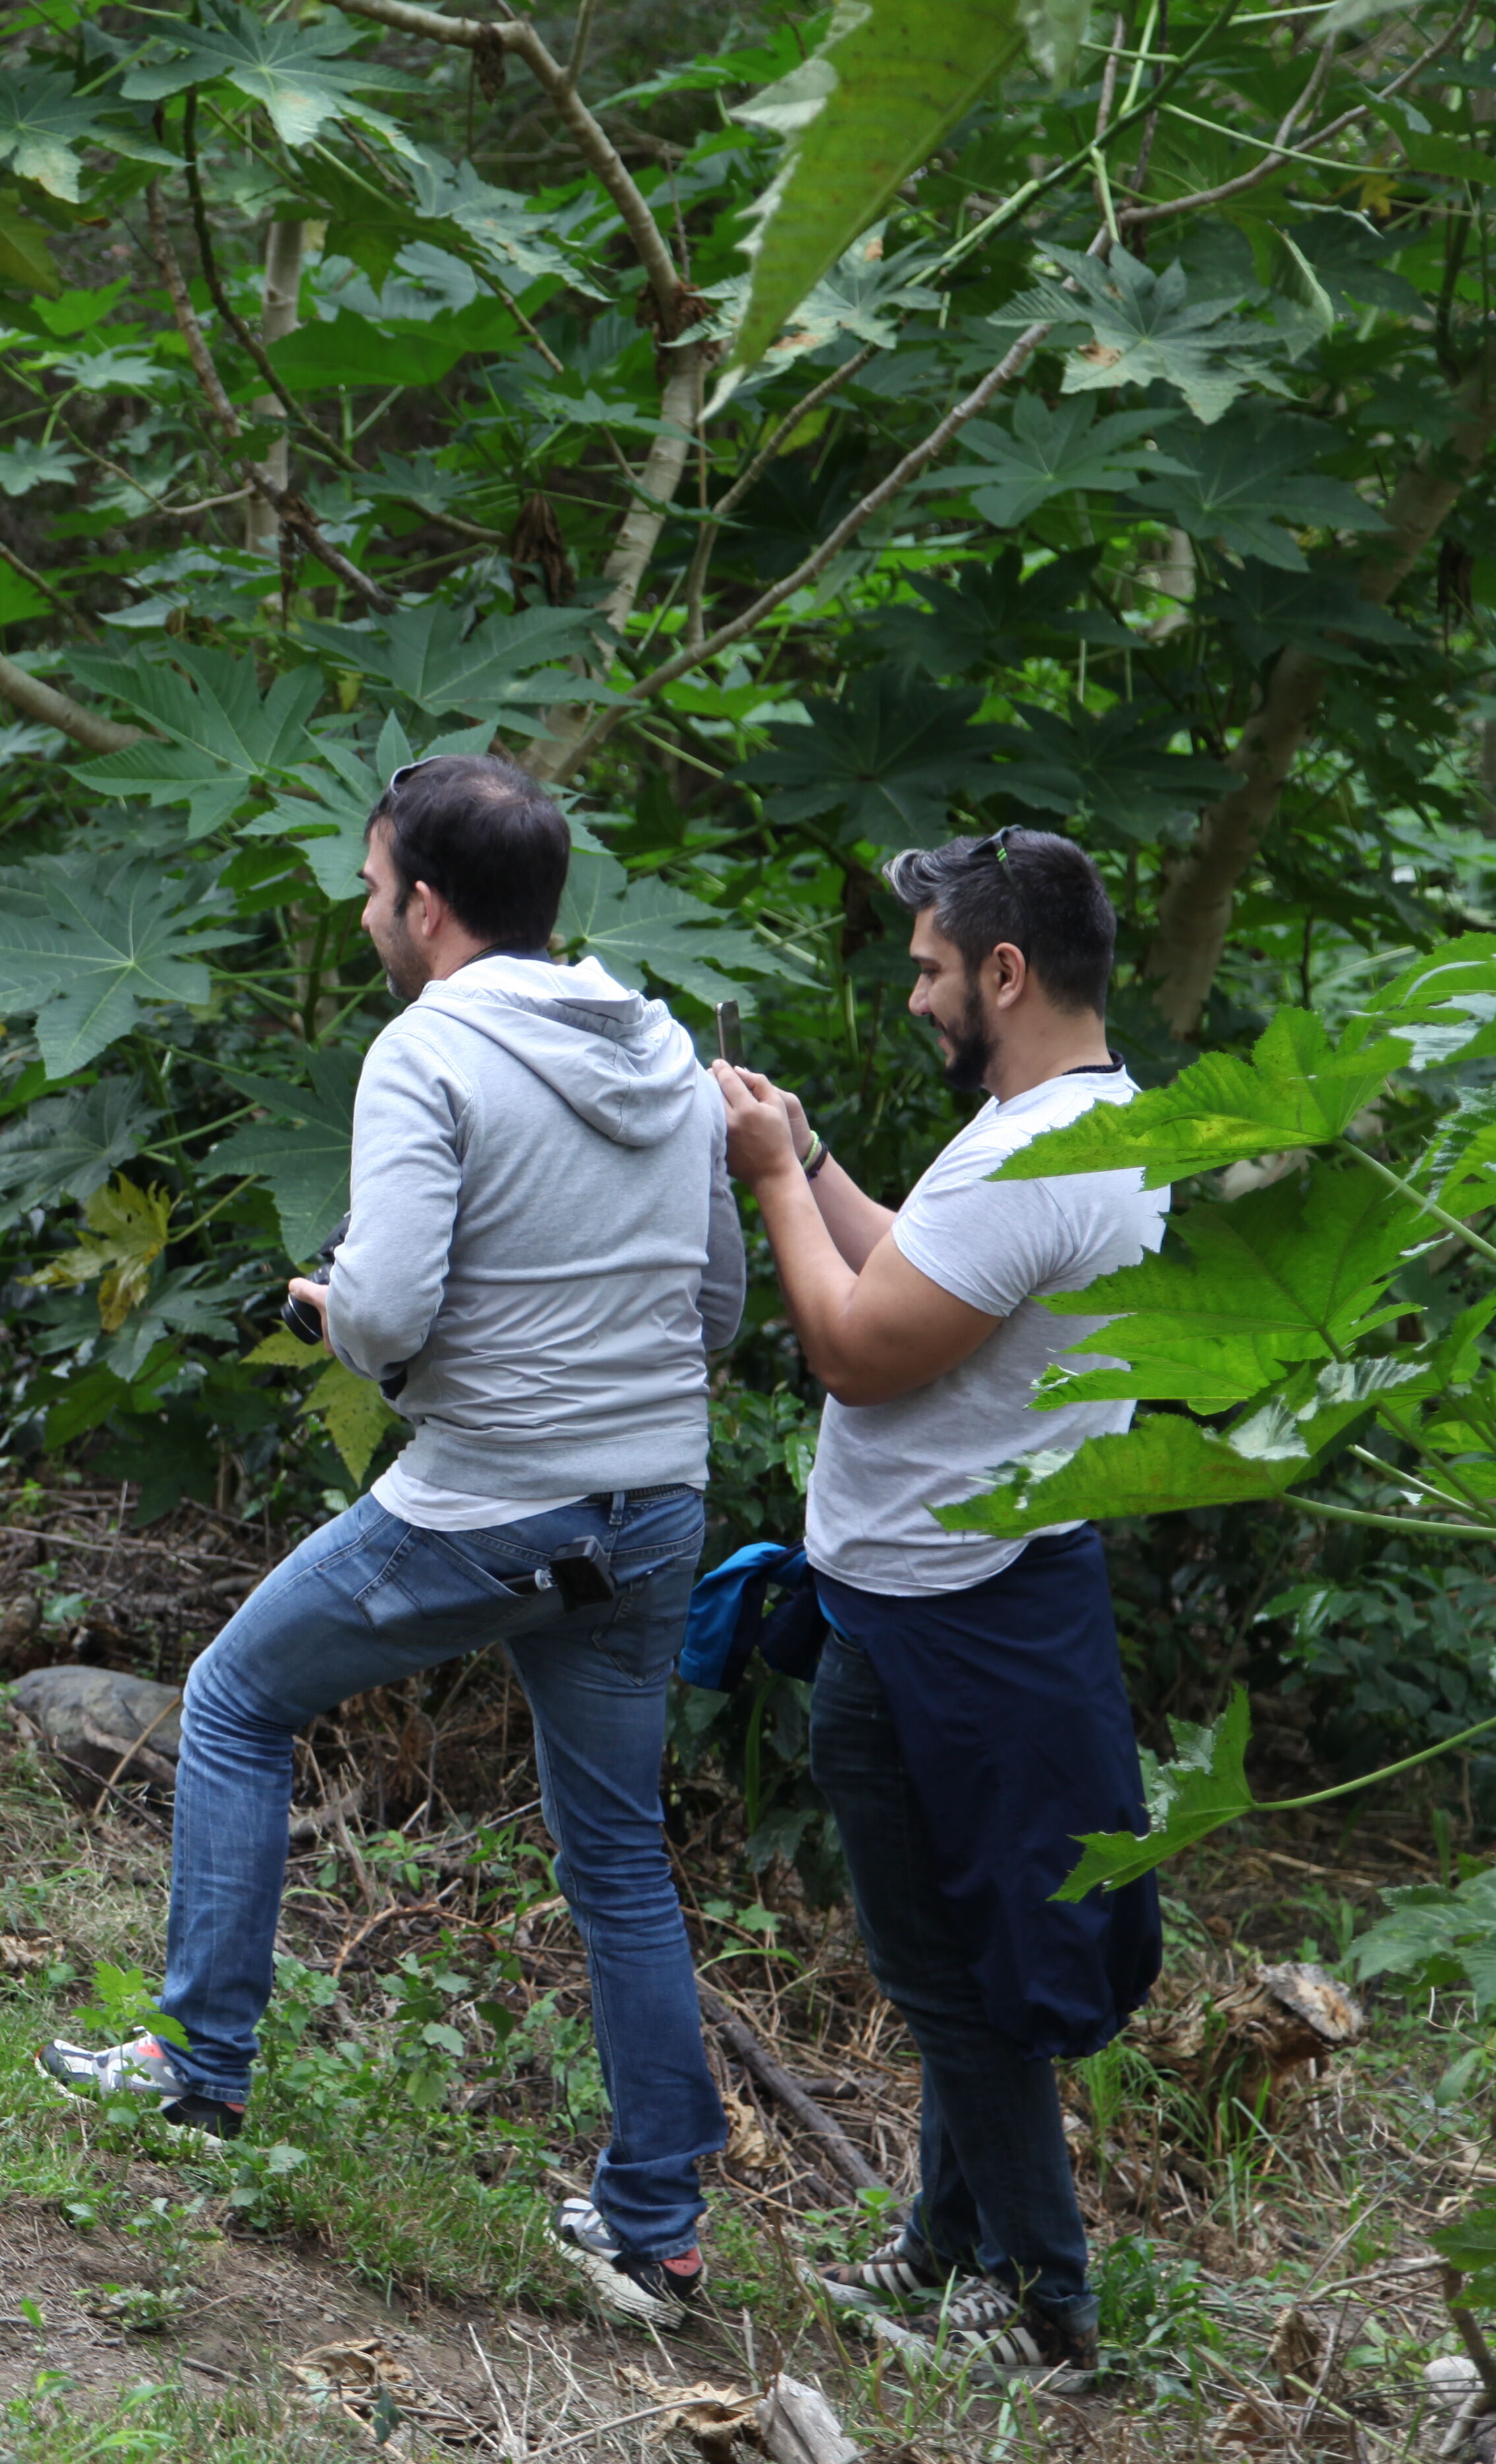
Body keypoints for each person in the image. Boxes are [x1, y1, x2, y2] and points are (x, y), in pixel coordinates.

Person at [36, 754, 742, 2328]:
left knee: (232, 1700)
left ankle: (197, 2062)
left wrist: (332, 1306)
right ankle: (656, 2229)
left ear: (425, 906)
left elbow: (396, 1312)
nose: (366, 910)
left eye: (371, 887)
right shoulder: (667, 1051)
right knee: (620, 1855)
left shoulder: (426, 1055)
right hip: (651, 1509)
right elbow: (715, 1311)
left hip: (494, 1502)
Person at [710, 825, 1168, 2390]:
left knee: (946, 1977)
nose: (914, 997)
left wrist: (769, 1178)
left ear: (1006, 971)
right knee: (989, 1951)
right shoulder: (1080, 1129)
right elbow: (925, 1273)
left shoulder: (1045, 1158)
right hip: (987, 1590)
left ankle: (1049, 2304)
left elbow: (855, 1345)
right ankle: (935, 2252)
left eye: (926, 969)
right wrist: (821, 1157)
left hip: (940, 1614)